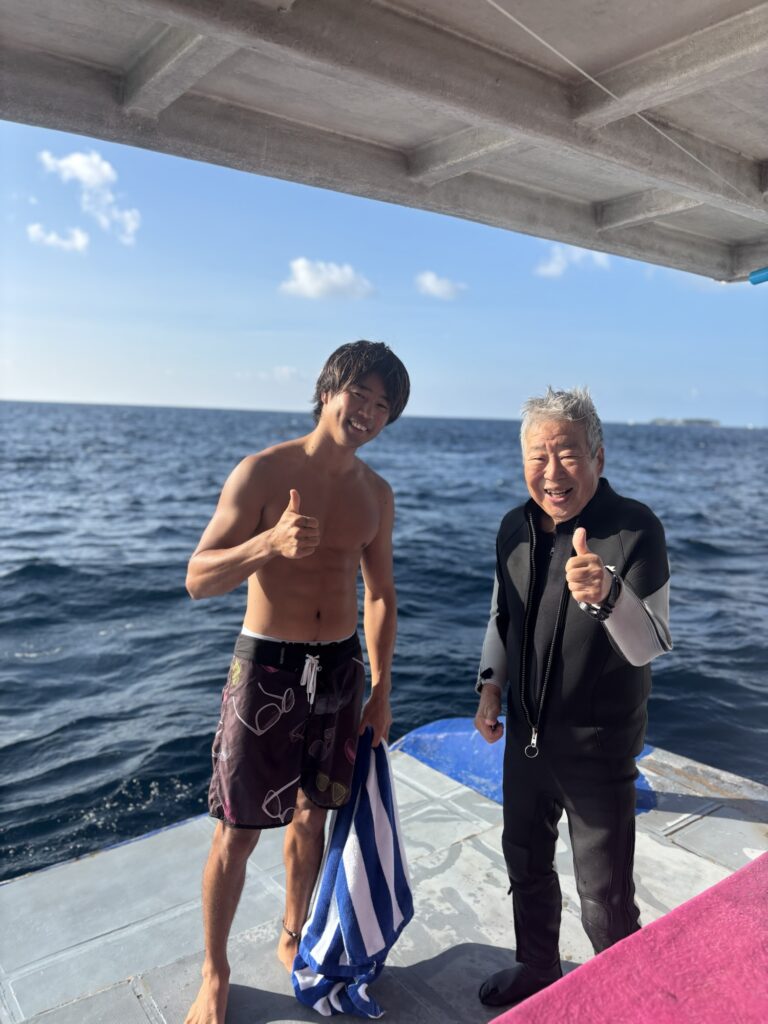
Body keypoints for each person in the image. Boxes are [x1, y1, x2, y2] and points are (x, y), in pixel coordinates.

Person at [183, 340, 410, 1024]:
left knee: (313, 816)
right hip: (267, 667)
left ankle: (292, 932)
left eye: (383, 405)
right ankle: (215, 972)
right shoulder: (262, 472)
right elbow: (198, 578)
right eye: (359, 394)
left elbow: (380, 596)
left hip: (340, 671)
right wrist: (267, 544)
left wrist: (381, 689)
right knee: (237, 831)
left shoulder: (376, 494)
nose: (367, 412)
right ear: (327, 391)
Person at [474, 386, 672, 1008]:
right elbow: (502, 616)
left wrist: (609, 595)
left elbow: (650, 645)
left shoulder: (635, 528)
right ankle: (537, 968)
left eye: (567, 455)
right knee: (525, 863)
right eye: (538, 456)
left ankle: (626, 998)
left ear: (598, 457)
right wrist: (490, 686)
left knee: (604, 899)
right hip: (526, 738)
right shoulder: (513, 528)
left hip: (598, 747)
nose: (552, 472)